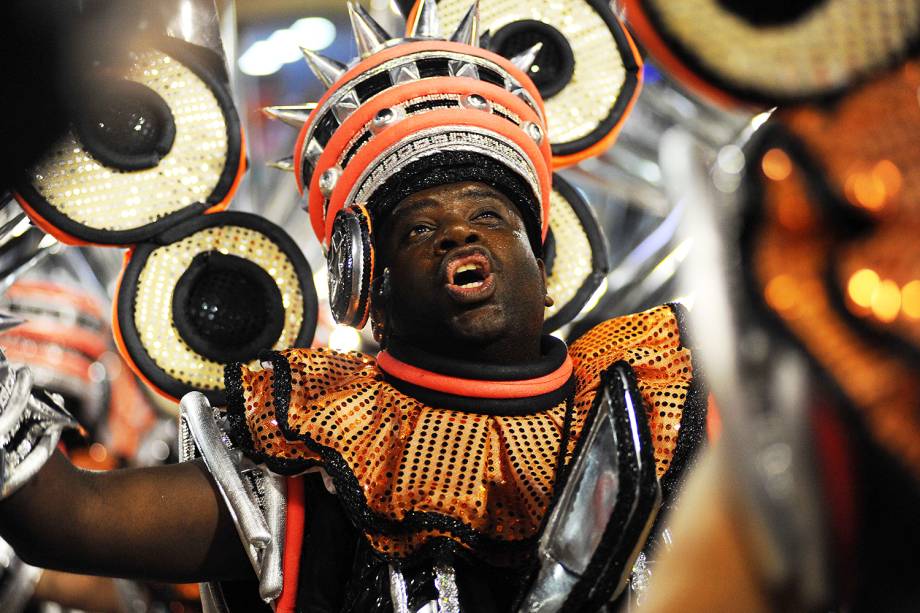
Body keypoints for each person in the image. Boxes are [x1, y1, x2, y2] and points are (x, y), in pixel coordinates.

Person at [0, 2, 706, 611]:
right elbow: (67, 517)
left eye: (491, 215)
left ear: (545, 266)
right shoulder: (323, 459)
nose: (460, 231)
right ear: (368, 286)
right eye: (419, 230)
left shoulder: (662, 406)